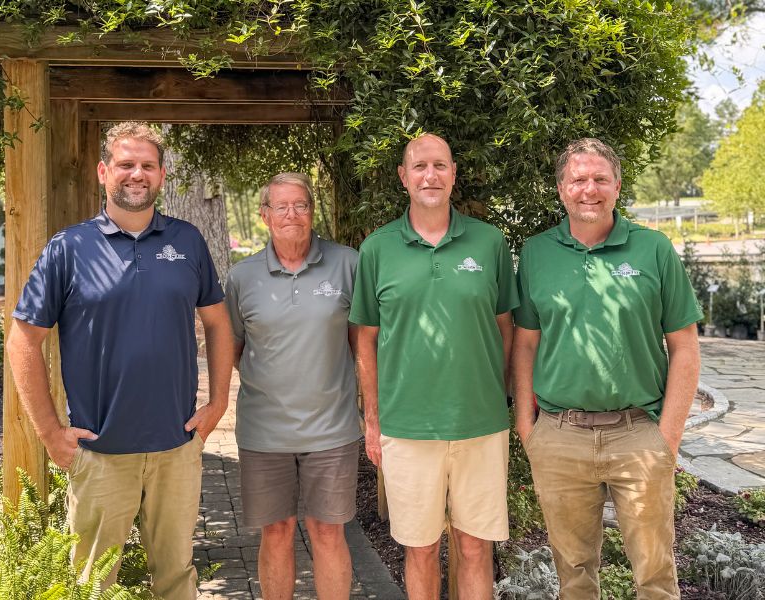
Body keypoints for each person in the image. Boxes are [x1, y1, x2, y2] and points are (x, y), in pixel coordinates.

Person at [6, 121, 234, 600]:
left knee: (176, 579)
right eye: (126, 164)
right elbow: (22, 341)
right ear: (103, 171)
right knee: (93, 586)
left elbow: (217, 323)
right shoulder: (68, 248)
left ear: (162, 175)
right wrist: (50, 434)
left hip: (177, 447)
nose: (137, 174)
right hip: (100, 452)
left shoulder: (188, 241)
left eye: (147, 165)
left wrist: (217, 404)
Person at [512, 137, 702, 600]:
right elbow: (525, 343)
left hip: (638, 433)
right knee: (573, 576)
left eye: (600, 179)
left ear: (617, 186)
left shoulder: (654, 249)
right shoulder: (536, 253)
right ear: (562, 189)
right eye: (578, 179)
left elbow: (685, 347)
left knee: (655, 577)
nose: (589, 189)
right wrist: (527, 427)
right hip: (560, 436)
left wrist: (668, 437)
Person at [350, 133, 518, 600]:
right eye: (420, 166)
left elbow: (506, 329)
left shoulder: (489, 242)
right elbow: (365, 339)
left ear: (453, 174)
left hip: (480, 426)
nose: (431, 175)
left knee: (475, 547)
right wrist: (372, 419)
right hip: (407, 429)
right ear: (403, 177)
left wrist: (496, 393)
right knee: (420, 550)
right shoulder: (377, 248)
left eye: (440, 165)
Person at [225, 172, 361, 600]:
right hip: (264, 432)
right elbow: (234, 349)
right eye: (281, 206)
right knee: (277, 531)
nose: (292, 215)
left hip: (332, 430)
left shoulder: (348, 264)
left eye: (300, 205)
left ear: (312, 211)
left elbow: (362, 345)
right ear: (264, 215)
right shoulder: (242, 277)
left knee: (328, 531)